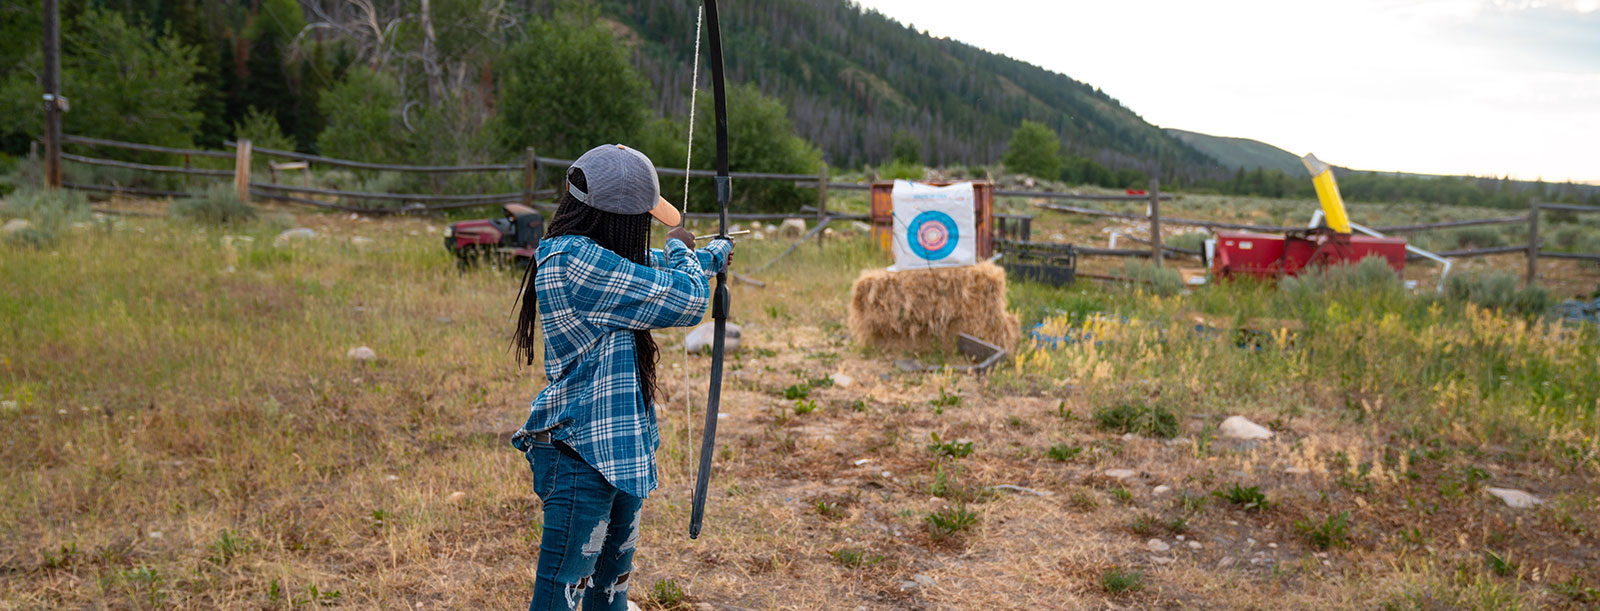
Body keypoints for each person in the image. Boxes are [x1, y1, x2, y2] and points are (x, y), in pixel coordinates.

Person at [509, 144, 732, 611]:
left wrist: (710, 256)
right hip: (580, 455)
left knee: (610, 587)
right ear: (619, 219)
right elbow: (686, 298)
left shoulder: (593, 251)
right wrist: (681, 250)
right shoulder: (575, 262)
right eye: (643, 219)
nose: (646, 228)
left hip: (618, 447)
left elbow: (642, 265)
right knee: (562, 592)